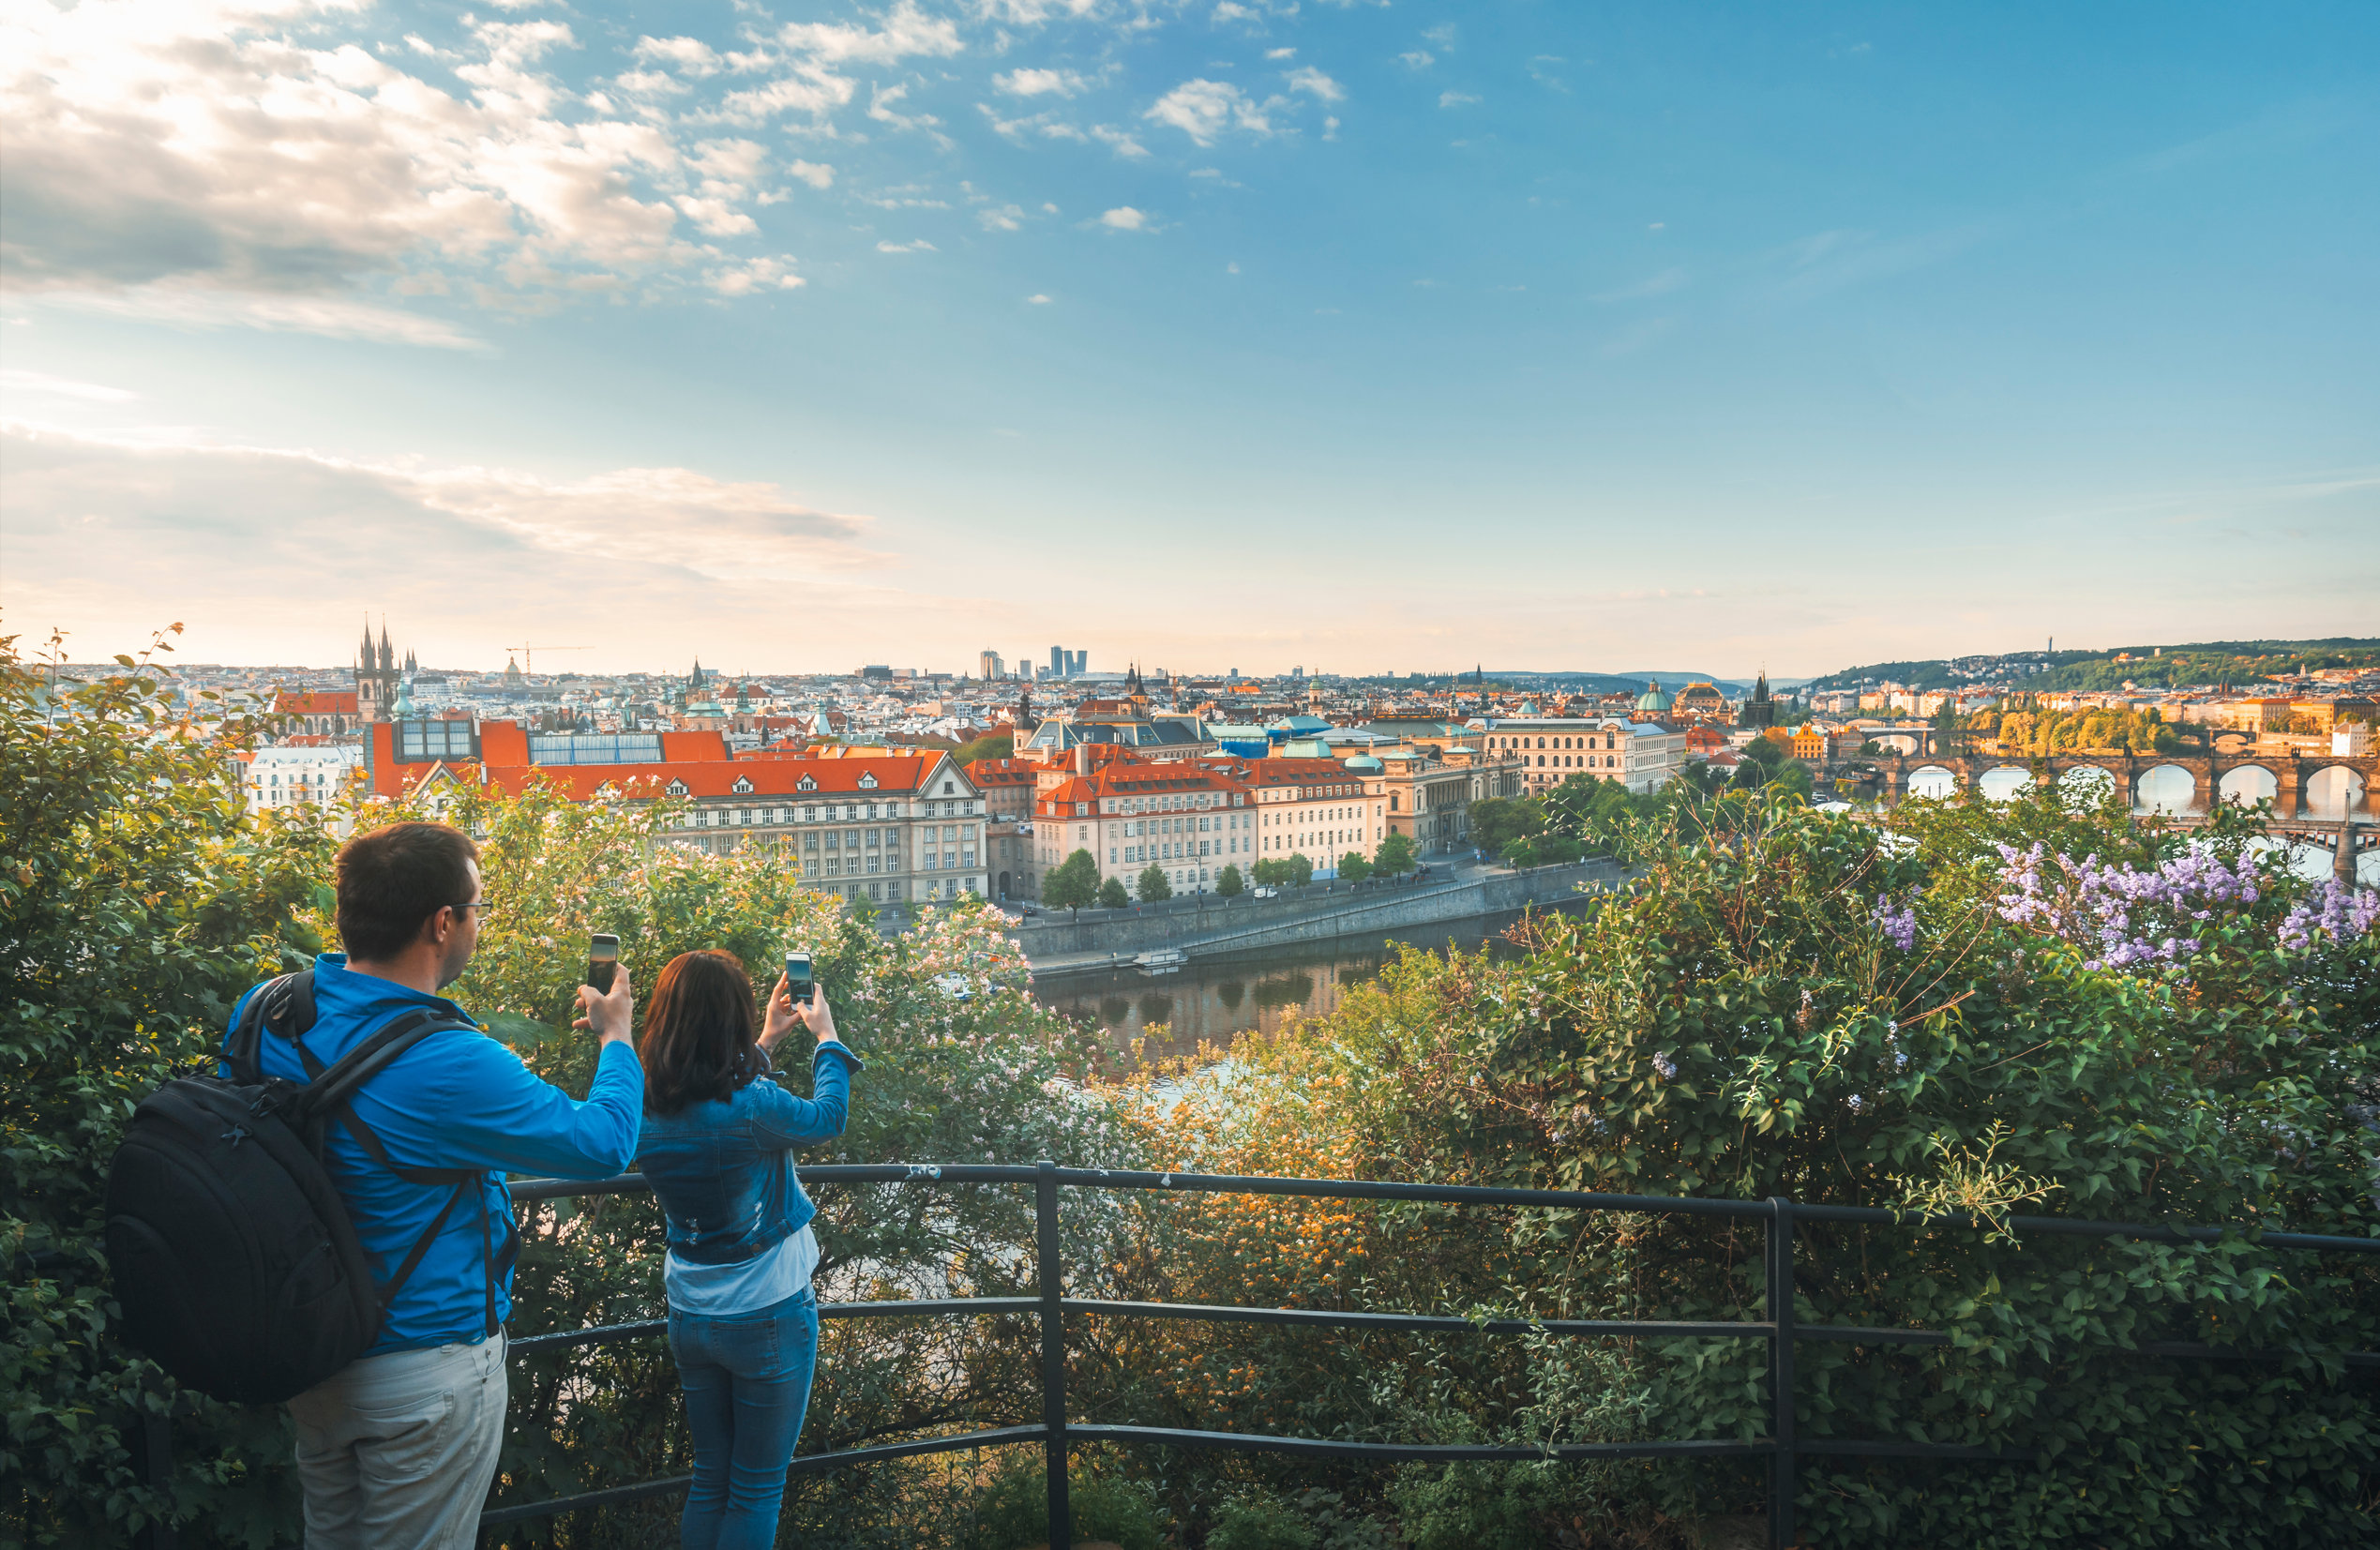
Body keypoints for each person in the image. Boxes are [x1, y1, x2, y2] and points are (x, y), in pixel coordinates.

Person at [228, 821, 643, 1550]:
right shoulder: (449, 1059)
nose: (477, 922)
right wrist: (617, 1038)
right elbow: (602, 1142)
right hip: (424, 1370)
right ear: (442, 921)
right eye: (478, 907)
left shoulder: (268, 1011)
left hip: (312, 1351)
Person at [629, 951, 861, 1550]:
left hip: (691, 1311)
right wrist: (826, 1036)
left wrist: (766, 1040)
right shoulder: (753, 1106)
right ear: (729, 1019)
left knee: (710, 1478)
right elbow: (827, 1117)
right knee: (756, 1487)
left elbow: (709, 1087)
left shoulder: (642, 1102)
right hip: (767, 1311)